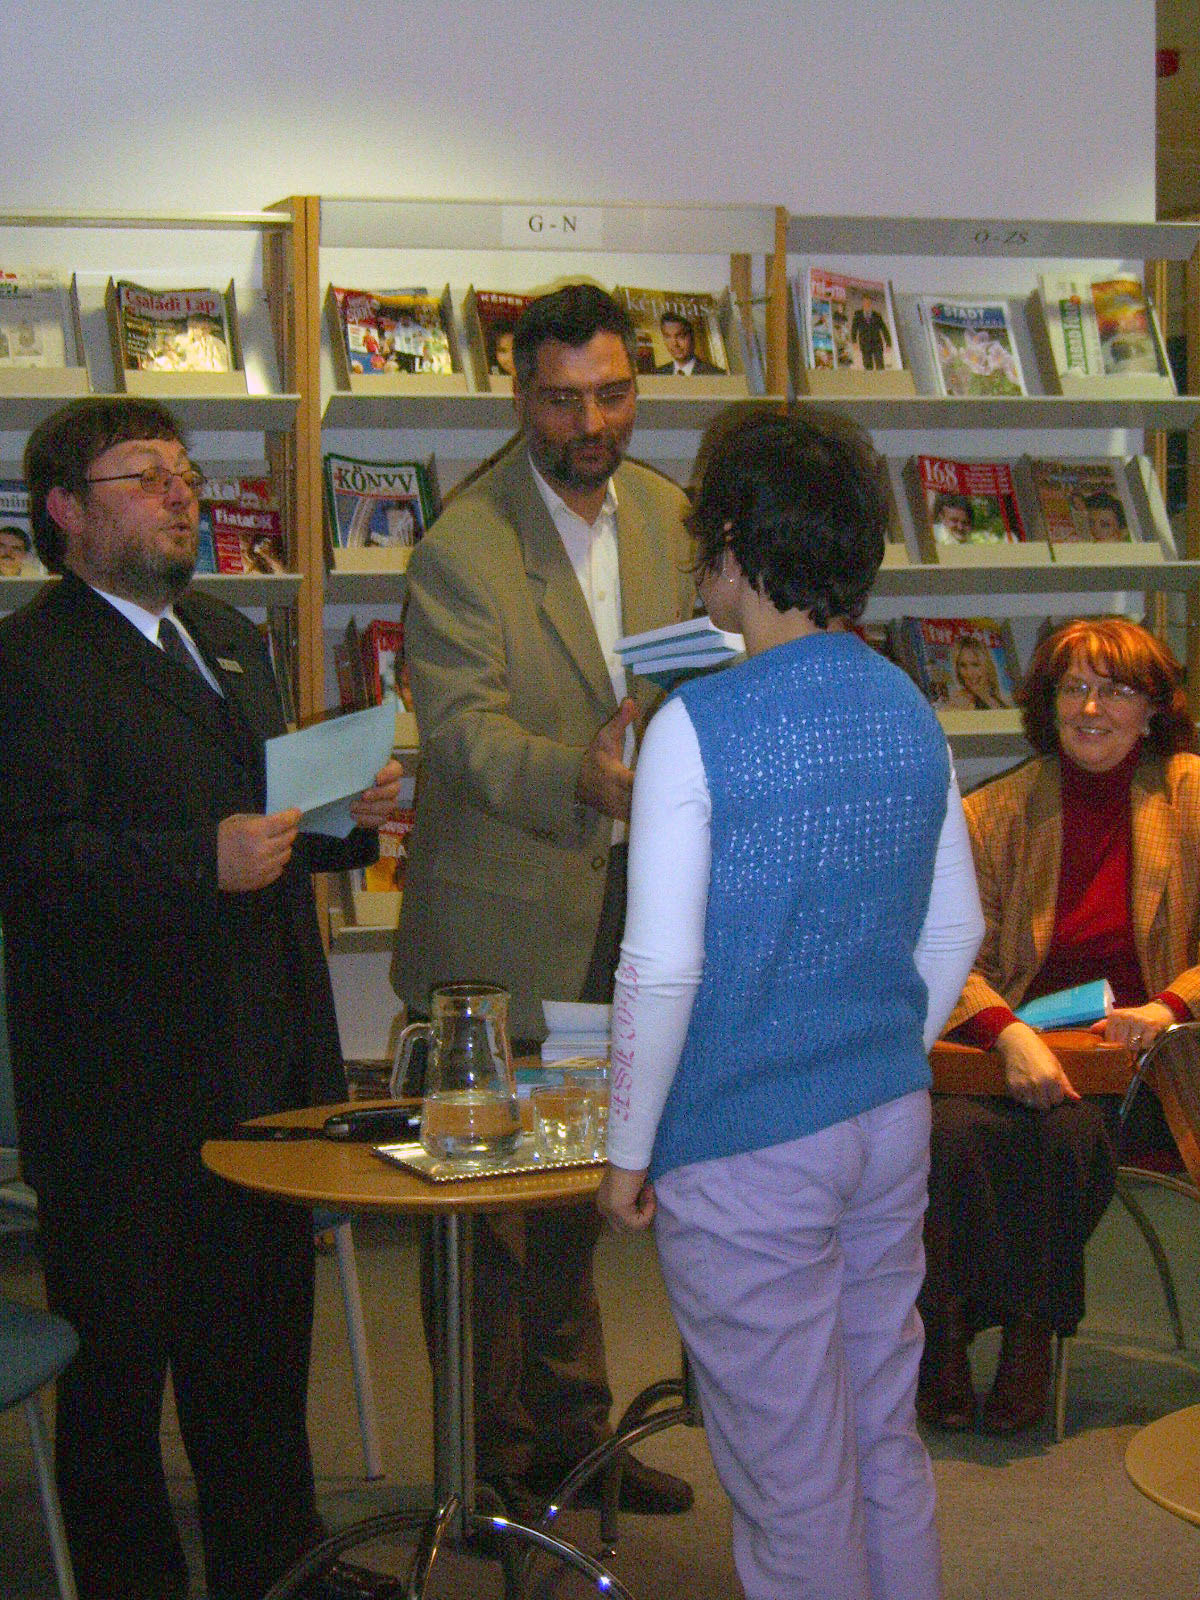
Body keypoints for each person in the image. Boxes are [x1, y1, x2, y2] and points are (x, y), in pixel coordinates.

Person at [0, 396, 403, 1600]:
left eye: (183, 471)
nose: (181, 493)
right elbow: (28, 863)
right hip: (120, 1084)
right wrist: (197, 860)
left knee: (261, 1343)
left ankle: (273, 1565)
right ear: (66, 512)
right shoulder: (28, 662)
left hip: (263, 1056)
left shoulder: (226, 632)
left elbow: (260, 816)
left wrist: (343, 818)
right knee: (123, 1371)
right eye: (145, 476)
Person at [597, 403, 984, 1600]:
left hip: (748, 1144)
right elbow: (955, 929)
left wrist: (627, 1152)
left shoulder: (696, 725)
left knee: (791, 1487)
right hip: (887, 1121)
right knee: (881, 1436)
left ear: (733, 547)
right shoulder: (908, 702)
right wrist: (875, 1049)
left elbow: (660, 968)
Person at [392, 284, 696, 1515]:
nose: (592, 423)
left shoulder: (673, 516)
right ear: (521, 395)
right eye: (564, 400)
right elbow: (461, 735)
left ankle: (575, 1439)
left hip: (631, 907)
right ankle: (483, 1469)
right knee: (482, 1213)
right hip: (500, 924)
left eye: (613, 394)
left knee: (580, 1178)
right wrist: (584, 775)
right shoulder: (463, 544)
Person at [918, 616, 1200, 1437]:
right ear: (1047, 703)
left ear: (1154, 708)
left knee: (1067, 1136)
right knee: (949, 1135)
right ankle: (944, 1331)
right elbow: (947, 952)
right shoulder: (995, 811)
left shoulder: (1190, 797)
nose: (1090, 708)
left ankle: (1027, 1336)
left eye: (1116, 690)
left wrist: (1166, 1007)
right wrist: (1008, 1034)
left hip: (1148, 1065)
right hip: (1009, 1052)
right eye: (1073, 688)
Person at [946, 635, 1010, 710]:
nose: (969, 673)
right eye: (963, 665)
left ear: (987, 666)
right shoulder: (960, 702)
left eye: (975, 665)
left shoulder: (1004, 699)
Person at [653, 310, 724, 375]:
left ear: (692, 336)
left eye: (680, 336)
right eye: (668, 337)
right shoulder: (657, 375)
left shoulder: (716, 374)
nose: (674, 344)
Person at [850, 293, 892, 370]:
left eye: (868, 302)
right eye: (865, 302)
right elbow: (854, 328)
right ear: (863, 303)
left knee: (880, 365)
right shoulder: (858, 314)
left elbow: (884, 329)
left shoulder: (877, 315)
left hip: (877, 344)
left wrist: (888, 343)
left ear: (870, 303)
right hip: (864, 343)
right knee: (868, 366)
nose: (867, 304)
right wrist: (854, 341)